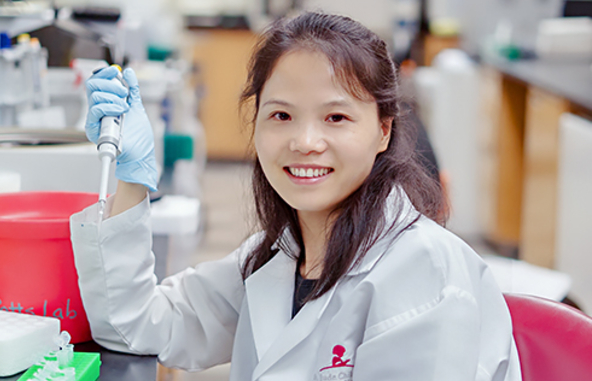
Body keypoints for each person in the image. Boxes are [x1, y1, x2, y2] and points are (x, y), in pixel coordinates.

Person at [70, 12, 521, 381]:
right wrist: (131, 178)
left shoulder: (426, 273)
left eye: (336, 117)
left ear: (383, 129)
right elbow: (136, 327)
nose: (305, 141)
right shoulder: (278, 256)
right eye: (281, 115)